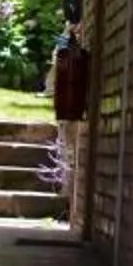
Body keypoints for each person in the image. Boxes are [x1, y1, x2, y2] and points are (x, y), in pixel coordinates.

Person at [51, 21, 91, 228]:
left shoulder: (70, 58)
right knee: (69, 153)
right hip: (69, 112)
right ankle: (69, 201)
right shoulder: (66, 55)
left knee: (70, 154)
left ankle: (70, 202)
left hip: (72, 112)